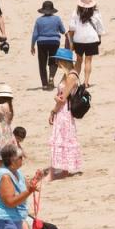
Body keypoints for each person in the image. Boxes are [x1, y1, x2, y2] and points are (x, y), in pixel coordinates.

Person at [48, 48, 83, 180]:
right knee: (64, 139)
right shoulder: (69, 75)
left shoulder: (70, 77)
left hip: (63, 113)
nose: (56, 62)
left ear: (62, 61)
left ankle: (52, 174)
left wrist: (53, 109)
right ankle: (64, 170)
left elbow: (62, 99)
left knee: (58, 139)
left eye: (58, 60)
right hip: (65, 112)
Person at [68, 0, 104, 87]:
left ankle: (73, 82)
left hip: (78, 39)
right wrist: (99, 38)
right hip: (91, 39)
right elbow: (100, 28)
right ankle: (86, 82)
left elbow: (71, 28)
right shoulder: (96, 13)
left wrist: (71, 42)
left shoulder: (76, 13)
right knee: (88, 61)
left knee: (78, 61)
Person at [31, 0, 67, 90]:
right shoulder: (57, 19)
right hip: (54, 42)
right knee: (53, 61)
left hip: (41, 43)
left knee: (42, 63)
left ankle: (44, 84)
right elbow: (63, 31)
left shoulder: (39, 20)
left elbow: (35, 34)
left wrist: (32, 45)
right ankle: (51, 77)